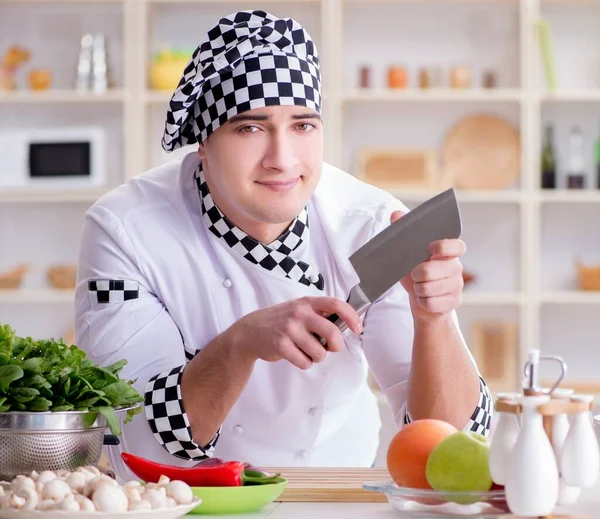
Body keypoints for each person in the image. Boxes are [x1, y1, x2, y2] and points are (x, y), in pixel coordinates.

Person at [74, 10, 492, 481]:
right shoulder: (127, 230)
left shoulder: (371, 223)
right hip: (181, 496)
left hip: (337, 486)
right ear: (204, 142)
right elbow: (137, 434)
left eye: (302, 125)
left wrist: (433, 320)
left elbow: (451, 446)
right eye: (250, 127)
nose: (283, 159)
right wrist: (241, 344)